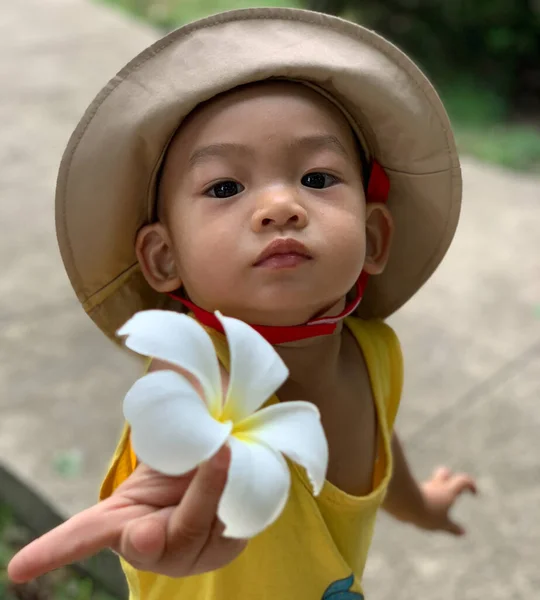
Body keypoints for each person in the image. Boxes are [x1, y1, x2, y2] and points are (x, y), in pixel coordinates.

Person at [8, 7, 477, 599]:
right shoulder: (195, 372)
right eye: (225, 187)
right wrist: (173, 475)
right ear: (163, 259)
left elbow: (385, 436)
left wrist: (419, 504)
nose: (280, 205)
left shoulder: (376, 352)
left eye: (317, 178)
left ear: (375, 237)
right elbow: (178, 389)